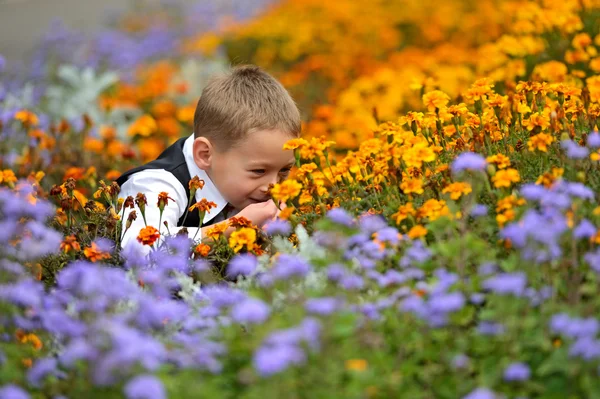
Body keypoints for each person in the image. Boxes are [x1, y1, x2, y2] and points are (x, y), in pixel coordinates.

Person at [117, 64, 301, 252]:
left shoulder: (240, 165)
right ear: (205, 155)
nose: (274, 186)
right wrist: (232, 227)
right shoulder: (155, 186)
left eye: (284, 170)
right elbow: (139, 250)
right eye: (258, 171)